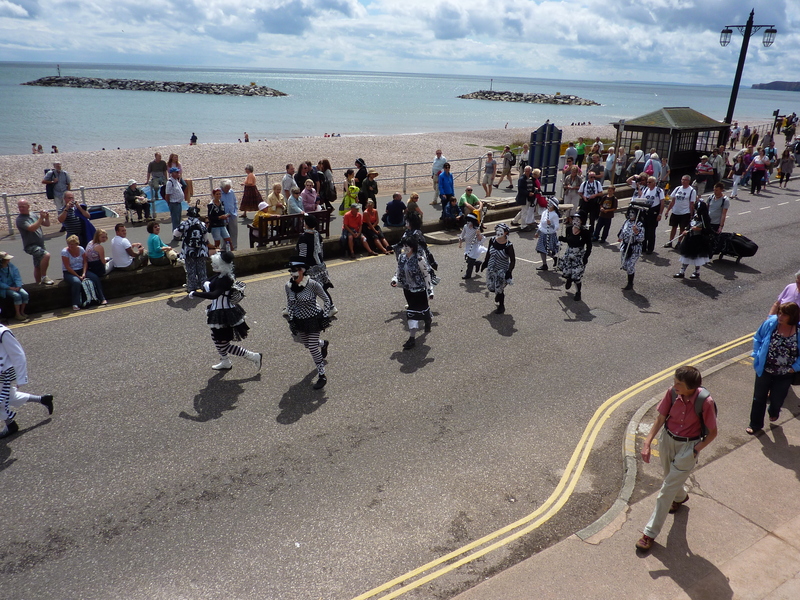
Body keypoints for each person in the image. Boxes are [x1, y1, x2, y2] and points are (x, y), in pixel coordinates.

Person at [636, 366, 717, 552]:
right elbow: (660, 418)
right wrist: (647, 443)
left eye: (678, 383)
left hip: (688, 447)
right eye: (674, 382)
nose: (674, 386)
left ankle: (649, 533)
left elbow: (713, 432)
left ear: (691, 387)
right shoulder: (672, 393)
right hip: (667, 440)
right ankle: (681, 496)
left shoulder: (706, 402)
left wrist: (695, 450)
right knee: (669, 479)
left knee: (665, 491)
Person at [189, 251, 261, 372]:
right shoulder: (220, 275)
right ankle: (225, 361)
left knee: (223, 344)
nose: (212, 265)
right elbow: (208, 283)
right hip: (217, 311)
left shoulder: (225, 279)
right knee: (215, 337)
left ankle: (254, 356)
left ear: (221, 265)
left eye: (215, 263)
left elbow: (214, 295)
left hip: (224, 314)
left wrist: (195, 293)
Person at [746, 303, 800, 435]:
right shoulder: (771, 323)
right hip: (764, 369)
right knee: (758, 398)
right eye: (780, 313)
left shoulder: (798, 331)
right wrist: (757, 354)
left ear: (792, 316)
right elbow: (758, 338)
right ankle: (755, 424)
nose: (780, 316)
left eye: (784, 314)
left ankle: (774, 410)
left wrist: (794, 368)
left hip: (785, 373)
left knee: (777, 399)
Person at [285, 256, 332, 389]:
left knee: (311, 347)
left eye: (295, 270)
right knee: (307, 344)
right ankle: (323, 344)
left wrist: (325, 316)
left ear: (302, 271)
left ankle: (322, 374)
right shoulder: (288, 286)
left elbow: (326, 299)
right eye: (291, 271)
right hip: (300, 320)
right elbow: (289, 304)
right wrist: (292, 320)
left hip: (314, 318)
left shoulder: (313, 284)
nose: (292, 273)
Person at [0, 322, 53, 439]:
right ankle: (42, 399)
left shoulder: (3, 332)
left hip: (3, 373)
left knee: (1, 400)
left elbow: (18, 355)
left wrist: (21, 378)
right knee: (10, 396)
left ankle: (10, 425)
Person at [391, 237, 433, 350]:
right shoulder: (401, 258)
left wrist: (430, 291)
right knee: (413, 312)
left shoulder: (420, 259)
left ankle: (412, 338)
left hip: (419, 291)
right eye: (404, 246)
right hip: (408, 290)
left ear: (413, 247)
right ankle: (426, 319)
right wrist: (395, 280)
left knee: (412, 313)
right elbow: (398, 271)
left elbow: (426, 275)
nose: (405, 248)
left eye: (407, 246)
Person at [296, 215, 338, 316]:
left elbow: (302, 254)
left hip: (309, 267)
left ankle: (295, 309)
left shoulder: (303, 237)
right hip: (320, 266)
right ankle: (331, 307)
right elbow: (321, 251)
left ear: (306, 224)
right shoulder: (317, 235)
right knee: (320, 288)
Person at [61, 235, 107, 310]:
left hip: (81, 269)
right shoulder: (64, 252)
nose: (70, 246)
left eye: (72, 244)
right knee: (76, 282)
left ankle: (102, 298)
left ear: (77, 244)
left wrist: (83, 273)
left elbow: (85, 262)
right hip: (69, 272)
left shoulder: (81, 249)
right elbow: (67, 267)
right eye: (69, 244)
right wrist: (78, 276)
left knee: (95, 278)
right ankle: (75, 303)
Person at [174, 206, 213, 292]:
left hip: (188, 250)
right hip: (201, 250)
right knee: (202, 269)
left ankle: (191, 287)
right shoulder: (202, 224)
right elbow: (206, 238)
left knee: (190, 269)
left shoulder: (184, 224)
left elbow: (176, 234)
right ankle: (204, 286)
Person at [673, 196, 713, 280]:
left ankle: (697, 272)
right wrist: (686, 230)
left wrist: (699, 229)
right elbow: (690, 224)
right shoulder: (695, 216)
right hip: (690, 238)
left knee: (697, 257)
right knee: (686, 256)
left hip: (698, 240)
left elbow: (708, 229)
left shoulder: (705, 218)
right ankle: (682, 271)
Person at [16, 199, 54, 285]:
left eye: (23, 206)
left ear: (28, 206)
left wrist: (46, 218)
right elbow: (32, 228)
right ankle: (44, 277)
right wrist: (41, 218)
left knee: (38, 266)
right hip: (30, 245)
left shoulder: (33, 215)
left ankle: (38, 284)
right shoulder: (20, 220)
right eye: (19, 207)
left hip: (40, 244)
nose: (21, 209)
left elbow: (47, 224)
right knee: (46, 255)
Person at [557, 209, 592, 302]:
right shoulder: (569, 229)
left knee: (576, 276)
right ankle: (569, 279)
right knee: (567, 271)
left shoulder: (585, 233)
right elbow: (569, 240)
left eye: (578, 220)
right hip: (569, 253)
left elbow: (589, 247)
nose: (575, 221)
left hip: (579, 255)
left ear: (582, 221)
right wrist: (562, 239)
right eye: (574, 219)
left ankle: (578, 292)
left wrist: (586, 257)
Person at [480, 223, 515, 314]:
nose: (498, 232)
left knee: (499, 289)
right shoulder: (492, 240)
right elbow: (488, 252)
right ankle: (497, 294)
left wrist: (509, 271)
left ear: (506, 233)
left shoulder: (508, 246)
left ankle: (501, 306)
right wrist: (485, 262)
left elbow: (513, 260)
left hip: (501, 271)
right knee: (491, 288)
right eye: (497, 230)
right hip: (491, 269)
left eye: (501, 231)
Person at [663, 175, 696, 248]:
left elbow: (692, 204)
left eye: (685, 180)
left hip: (685, 213)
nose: (683, 181)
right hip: (675, 212)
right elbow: (673, 201)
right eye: (682, 179)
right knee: (673, 227)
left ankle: (679, 243)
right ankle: (670, 241)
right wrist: (668, 210)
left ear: (689, 181)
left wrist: (691, 214)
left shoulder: (692, 191)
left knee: (682, 228)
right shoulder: (678, 188)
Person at [618, 205, 645, 291]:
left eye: (633, 213)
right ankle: (629, 275)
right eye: (629, 212)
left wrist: (636, 232)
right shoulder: (626, 222)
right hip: (625, 246)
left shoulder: (639, 224)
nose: (630, 214)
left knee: (630, 266)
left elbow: (642, 238)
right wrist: (620, 236)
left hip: (635, 248)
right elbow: (622, 231)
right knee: (624, 265)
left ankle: (630, 283)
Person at [639, 176, 666, 254]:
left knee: (651, 231)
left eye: (649, 182)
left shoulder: (659, 191)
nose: (648, 184)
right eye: (647, 182)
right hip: (645, 212)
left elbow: (662, 203)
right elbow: (642, 200)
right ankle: (643, 247)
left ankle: (650, 248)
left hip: (653, 212)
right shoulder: (646, 189)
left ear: (654, 183)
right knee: (644, 230)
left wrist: (660, 214)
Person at [0, 252, 29, 321]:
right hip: (5, 288)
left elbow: (17, 277)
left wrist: (18, 286)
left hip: (14, 286)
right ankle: (18, 314)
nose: (9, 260)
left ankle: (22, 312)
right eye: (7, 259)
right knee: (17, 296)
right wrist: (9, 288)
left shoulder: (11, 266)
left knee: (25, 294)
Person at [535, 197, 561, 271]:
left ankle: (555, 258)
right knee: (541, 249)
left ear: (553, 206)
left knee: (546, 249)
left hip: (550, 234)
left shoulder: (555, 215)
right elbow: (541, 224)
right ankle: (545, 264)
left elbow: (557, 227)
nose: (548, 205)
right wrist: (538, 232)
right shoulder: (545, 212)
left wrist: (550, 224)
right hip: (543, 234)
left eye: (550, 204)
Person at [458, 213, 485, 280]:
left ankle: (468, 274)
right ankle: (477, 263)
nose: (468, 223)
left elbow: (480, 239)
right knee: (467, 259)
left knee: (470, 263)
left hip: (474, 246)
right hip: (468, 246)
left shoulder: (476, 229)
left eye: (470, 221)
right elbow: (462, 235)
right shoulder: (465, 226)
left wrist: (478, 234)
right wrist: (460, 242)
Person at [578, 170, 603, 236]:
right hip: (586, 202)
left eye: (594, 177)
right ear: (588, 177)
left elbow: (601, 193)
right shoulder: (584, 183)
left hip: (594, 203)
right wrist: (583, 197)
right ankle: (583, 231)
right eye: (591, 177)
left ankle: (591, 232)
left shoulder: (597, 183)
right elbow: (580, 192)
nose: (592, 178)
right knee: (583, 217)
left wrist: (595, 195)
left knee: (592, 218)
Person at [145, 152, 168, 217]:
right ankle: (156, 194)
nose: (160, 158)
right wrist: (147, 180)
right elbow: (149, 172)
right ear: (155, 157)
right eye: (159, 156)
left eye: (160, 156)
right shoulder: (151, 164)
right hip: (155, 177)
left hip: (162, 176)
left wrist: (166, 178)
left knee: (166, 185)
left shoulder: (163, 162)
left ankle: (166, 195)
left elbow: (165, 171)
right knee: (156, 186)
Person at [219, 179, 238, 250]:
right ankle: (224, 248)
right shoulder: (219, 193)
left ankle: (234, 247)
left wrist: (235, 211)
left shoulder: (231, 192)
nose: (228, 189)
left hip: (232, 215)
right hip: (223, 216)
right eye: (226, 188)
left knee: (234, 232)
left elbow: (235, 202)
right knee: (223, 233)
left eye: (229, 188)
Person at [165, 167, 185, 233]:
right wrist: (169, 203)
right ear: (172, 173)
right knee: (175, 220)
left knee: (178, 219)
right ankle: (175, 234)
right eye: (176, 172)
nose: (178, 173)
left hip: (178, 203)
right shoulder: (170, 182)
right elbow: (167, 194)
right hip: (174, 203)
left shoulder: (176, 180)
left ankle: (178, 233)